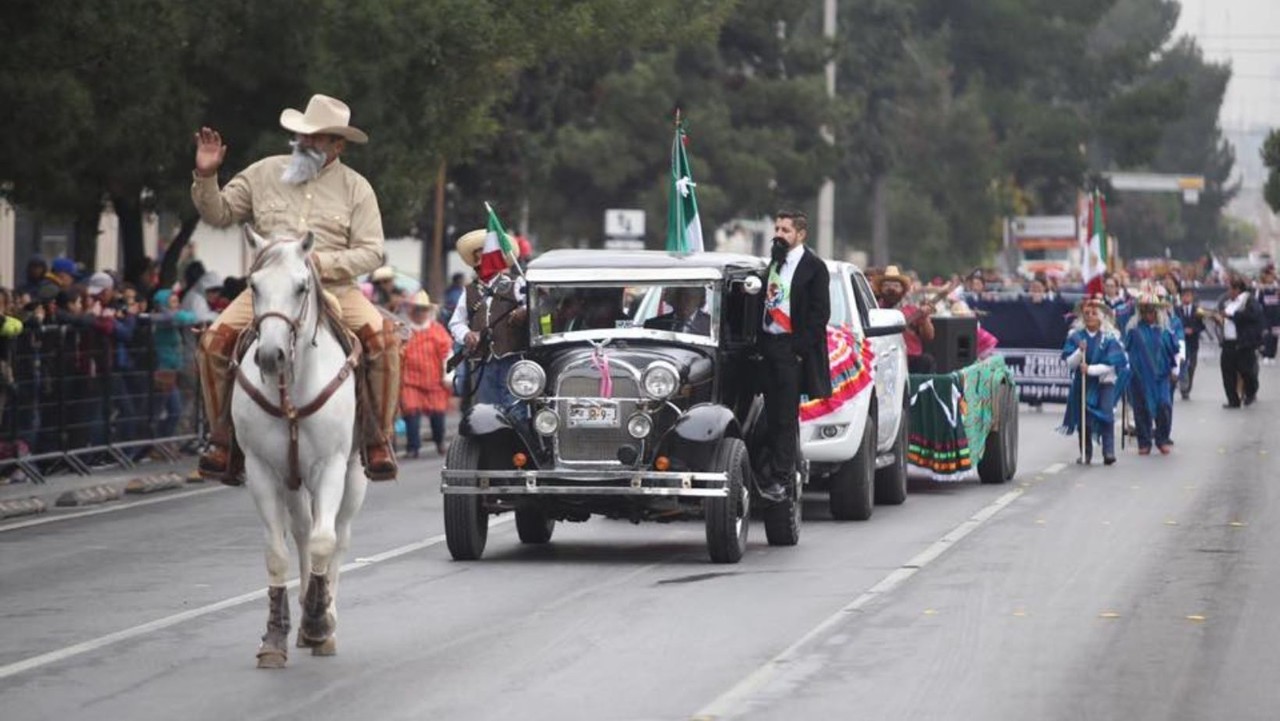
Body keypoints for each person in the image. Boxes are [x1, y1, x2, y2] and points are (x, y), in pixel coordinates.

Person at [190, 93, 401, 482]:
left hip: (337, 289)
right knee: (212, 343)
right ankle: (223, 439)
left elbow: (372, 252)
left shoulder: (357, 188)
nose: (305, 142)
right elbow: (218, 213)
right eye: (303, 134)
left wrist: (323, 262)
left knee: (384, 341)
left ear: (338, 145)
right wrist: (206, 175)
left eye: (316, 137)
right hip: (269, 289)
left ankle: (378, 438)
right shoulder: (263, 172)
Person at [758, 210, 831, 502]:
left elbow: (819, 315)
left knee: (786, 418)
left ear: (800, 235)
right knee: (765, 415)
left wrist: (798, 349)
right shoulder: (773, 264)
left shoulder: (814, 267)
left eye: (785, 230)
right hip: (767, 346)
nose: (778, 234)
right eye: (776, 228)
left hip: (791, 349)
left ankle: (782, 478)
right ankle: (762, 468)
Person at [447, 228, 528, 412]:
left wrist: (525, 312)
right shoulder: (469, 291)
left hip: (513, 358)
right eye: (478, 256)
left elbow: (534, 308)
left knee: (516, 409)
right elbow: (456, 322)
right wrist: (467, 335)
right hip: (483, 362)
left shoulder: (517, 283)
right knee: (486, 412)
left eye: (487, 255)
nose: (481, 260)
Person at [1060, 296, 1128, 465]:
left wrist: (1090, 369)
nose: (1090, 316)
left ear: (1101, 317)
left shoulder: (1110, 338)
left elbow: (1112, 365)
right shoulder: (1076, 337)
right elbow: (1069, 362)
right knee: (1084, 418)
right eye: (1087, 313)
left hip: (1104, 383)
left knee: (1106, 415)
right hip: (1082, 383)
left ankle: (1109, 451)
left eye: (1093, 313)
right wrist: (1078, 352)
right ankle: (1086, 452)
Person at [400, 290, 453, 458]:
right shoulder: (404, 331)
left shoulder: (437, 331)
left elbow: (447, 354)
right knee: (411, 413)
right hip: (410, 381)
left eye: (423, 309)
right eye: (417, 309)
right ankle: (412, 447)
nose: (420, 313)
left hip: (434, 381)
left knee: (438, 415)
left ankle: (439, 442)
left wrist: (448, 376)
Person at [1124, 294, 1178, 455]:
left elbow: (1174, 351)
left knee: (1164, 405)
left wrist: (1176, 370)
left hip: (1161, 377)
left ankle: (1162, 438)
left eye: (1151, 311)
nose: (1148, 314)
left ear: (1157, 312)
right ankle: (1144, 441)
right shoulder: (1133, 331)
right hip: (1139, 376)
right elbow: (1126, 352)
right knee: (1141, 408)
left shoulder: (1165, 331)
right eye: (1145, 311)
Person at [875, 265, 935, 373]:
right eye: (887, 285)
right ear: (881, 289)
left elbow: (929, 336)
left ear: (902, 290)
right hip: (882, 360)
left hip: (910, 359)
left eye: (896, 286)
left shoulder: (912, 310)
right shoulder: (874, 310)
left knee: (926, 361)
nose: (891, 289)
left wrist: (925, 318)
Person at [1217, 276, 1263, 409]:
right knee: (1228, 372)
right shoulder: (1228, 303)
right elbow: (1225, 317)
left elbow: (1253, 316)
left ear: (1237, 289)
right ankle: (1233, 400)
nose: (1228, 292)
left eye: (1230, 289)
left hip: (1243, 343)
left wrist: (1232, 316)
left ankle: (1250, 392)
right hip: (1228, 342)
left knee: (1246, 371)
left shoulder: (1249, 301)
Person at [1173, 287, 1205, 400]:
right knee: (1183, 364)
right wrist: (1183, 330)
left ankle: (1188, 386)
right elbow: (1174, 324)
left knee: (1191, 366)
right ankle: (1184, 388)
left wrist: (1193, 329)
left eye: (1189, 295)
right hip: (1182, 342)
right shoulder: (1176, 310)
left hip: (1193, 342)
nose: (1186, 298)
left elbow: (1202, 326)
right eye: (1184, 296)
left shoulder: (1197, 310)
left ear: (1192, 297)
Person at [644, 286, 711, 335]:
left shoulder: (711, 326)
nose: (682, 302)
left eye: (689, 297)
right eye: (678, 297)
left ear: (700, 300)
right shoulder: (653, 324)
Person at [1256, 265, 1280, 365]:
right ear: (1265, 276)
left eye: (1272, 276)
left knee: (1275, 335)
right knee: (1267, 336)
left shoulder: (1277, 288)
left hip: (1276, 316)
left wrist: (1276, 278)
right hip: (1265, 317)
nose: (1271, 278)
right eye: (1269, 276)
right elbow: (1258, 303)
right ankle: (1266, 355)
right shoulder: (1261, 289)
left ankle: (1272, 355)